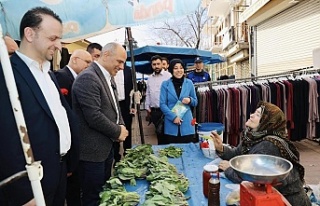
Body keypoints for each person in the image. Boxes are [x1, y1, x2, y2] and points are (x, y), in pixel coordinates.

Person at [0, 7, 79, 206]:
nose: (59, 45)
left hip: (59, 172)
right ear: (29, 34)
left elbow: (58, 117)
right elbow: (6, 138)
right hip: (32, 184)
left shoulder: (49, 74)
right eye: (53, 38)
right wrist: (23, 192)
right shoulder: (7, 76)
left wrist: (68, 161)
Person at [211, 101, 311, 206]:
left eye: (258, 115)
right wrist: (221, 148)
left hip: (287, 200)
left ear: (267, 122)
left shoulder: (268, 145)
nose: (251, 115)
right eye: (254, 112)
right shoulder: (253, 136)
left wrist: (228, 169)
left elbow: (252, 178)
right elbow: (237, 154)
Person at [72, 42, 128, 206]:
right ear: (106, 55)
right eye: (119, 61)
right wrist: (117, 131)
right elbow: (93, 116)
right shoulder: (88, 78)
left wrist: (122, 126)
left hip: (104, 149)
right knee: (93, 197)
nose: (122, 67)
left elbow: (114, 108)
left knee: (103, 193)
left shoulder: (107, 77)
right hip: (91, 154)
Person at [54, 49, 91, 206]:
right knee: (71, 188)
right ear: (75, 59)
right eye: (87, 62)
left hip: (78, 140)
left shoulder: (81, 78)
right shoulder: (61, 77)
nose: (89, 66)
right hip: (67, 142)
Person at [159, 59, 198, 144]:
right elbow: (162, 104)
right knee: (172, 151)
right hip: (171, 124)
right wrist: (173, 117)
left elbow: (195, 101)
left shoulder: (189, 83)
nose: (179, 70)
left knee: (188, 150)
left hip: (187, 124)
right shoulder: (165, 84)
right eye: (176, 68)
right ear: (171, 70)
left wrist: (190, 100)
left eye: (181, 68)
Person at [145, 55, 171, 144]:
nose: (156, 66)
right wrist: (147, 107)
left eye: (158, 64)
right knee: (159, 134)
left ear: (161, 64)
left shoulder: (168, 76)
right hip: (155, 112)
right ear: (152, 65)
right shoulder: (150, 78)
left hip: (166, 111)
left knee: (168, 135)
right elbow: (148, 93)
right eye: (154, 64)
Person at [113, 64, 135, 163]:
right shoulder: (111, 69)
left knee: (127, 130)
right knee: (114, 130)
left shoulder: (129, 70)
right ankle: (116, 157)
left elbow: (134, 89)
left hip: (126, 105)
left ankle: (128, 154)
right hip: (113, 105)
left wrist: (133, 106)